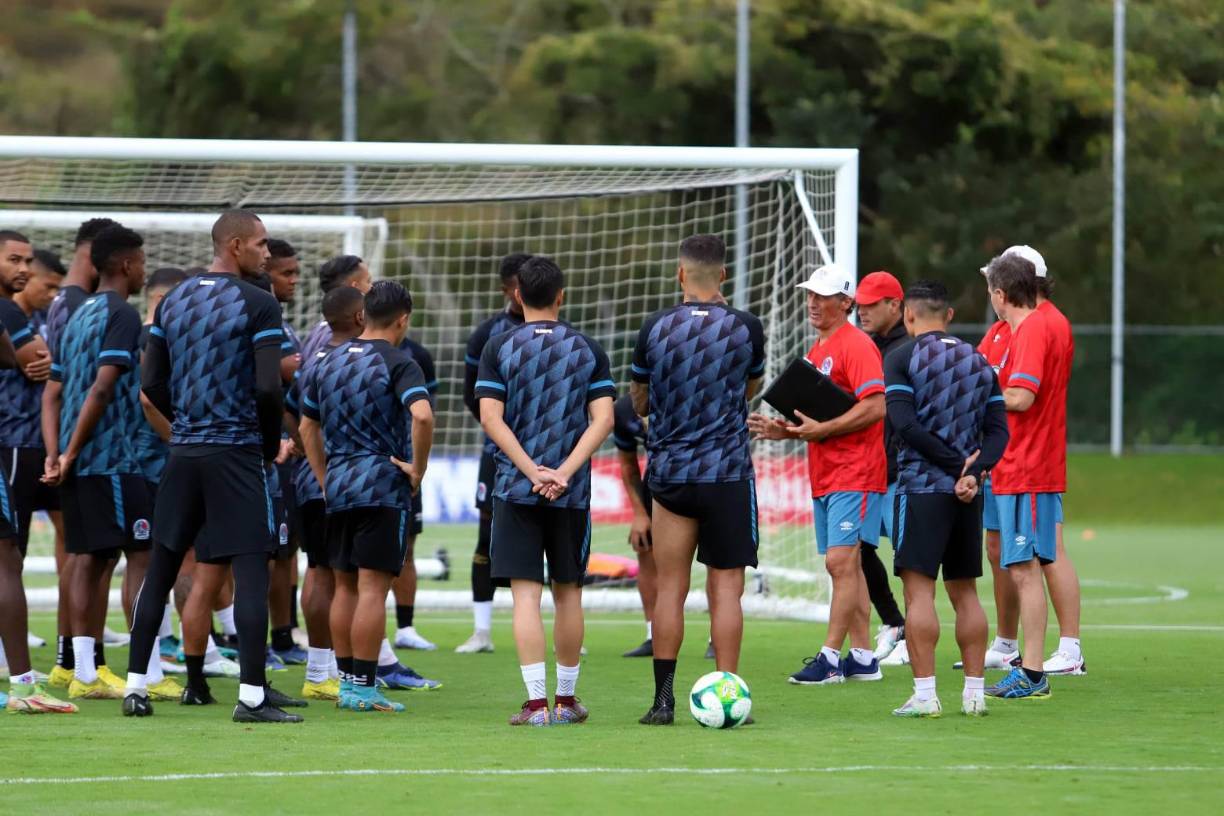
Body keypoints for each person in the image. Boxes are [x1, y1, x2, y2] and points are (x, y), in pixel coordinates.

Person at [124, 209, 302, 723]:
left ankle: (136, 688)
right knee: (250, 570)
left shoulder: (173, 300)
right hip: (236, 449)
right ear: (236, 244)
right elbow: (268, 387)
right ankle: (252, 697)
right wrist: (266, 443)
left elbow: (151, 382)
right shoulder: (259, 302)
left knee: (161, 567)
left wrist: (186, 419)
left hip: (184, 452)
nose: (266, 253)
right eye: (262, 244)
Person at [476, 255, 614, 726]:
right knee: (569, 593)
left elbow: (490, 417)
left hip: (516, 489)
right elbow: (604, 420)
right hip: (570, 494)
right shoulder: (587, 347)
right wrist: (565, 472)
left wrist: (532, 472)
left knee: (525, 597)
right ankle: (567, 701)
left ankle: (536, 705)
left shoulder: (499, 345)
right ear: (561, 295)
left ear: (518, 295)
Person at [632, 235, 765, 725]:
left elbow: (639, 401)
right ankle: (729, 696)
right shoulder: (746, 326)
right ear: (723, 276)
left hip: (671, 474)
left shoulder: (655, 326)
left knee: (671, 588)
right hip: (726, 473)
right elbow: (750, 388)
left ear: (680, 274)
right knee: (726, 591)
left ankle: (663, 702)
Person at [297, 255, 440, 689]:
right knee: (373, 590)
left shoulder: (328, 360)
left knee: (344, 587)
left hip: (339, 484)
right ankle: (363, 686)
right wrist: (418, 468)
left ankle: (345, 683)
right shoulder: (399, 362)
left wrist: (325, 476)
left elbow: (306, 427)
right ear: (403, 319)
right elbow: (422, 415)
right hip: (381, 483)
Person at [40, 225, 163, 701]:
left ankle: (84, 670)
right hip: (111, 458)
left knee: (88, 558)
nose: (144, 271)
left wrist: (56, 452)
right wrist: (71, 451)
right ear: (126, 265)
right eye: (142, 262)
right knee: (139, 554)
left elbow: (52, 393)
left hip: (79, 459)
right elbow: (103, 387)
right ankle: (142, 670)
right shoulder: (121, 315)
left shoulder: (77, 314)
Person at [749, 264, 887, 686]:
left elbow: (876, 405)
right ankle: (863, 657)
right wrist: (785, 431)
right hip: (827, 472)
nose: (812, 302)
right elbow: (818, 420)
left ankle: (829, 659)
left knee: (839, 562)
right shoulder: (817, 349)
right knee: (847, 567)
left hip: (855, 471)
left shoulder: (856, 345)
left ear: (845, 303)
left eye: (822, 295)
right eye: (810, 294)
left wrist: (823, 429)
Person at [883, 280, 1009, 717]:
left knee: (918, 594)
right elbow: (999, 432)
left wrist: (955, 466)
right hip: (966, 495)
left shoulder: (902, 357)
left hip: (921, 488)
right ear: (949, 315)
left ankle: (925, 695)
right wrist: (973, 471)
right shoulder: (980, 361)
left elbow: (904, 424)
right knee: (965, 592)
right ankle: (974, 695)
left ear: (907, 315)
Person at [39, 218, 119, 687]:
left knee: (80, 552)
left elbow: (52, 380)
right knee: (90, 556)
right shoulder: (80, 307)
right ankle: (80, 661)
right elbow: (83, 385)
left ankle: (71, 658)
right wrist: (66, 450)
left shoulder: (66, 304)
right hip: (89, 449)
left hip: (68, 445)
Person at [982, 252, 1065, 700]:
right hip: (1018, 465)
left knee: (1025, 569)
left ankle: (1032, 673)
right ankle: (1029, 668)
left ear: (1000, 293)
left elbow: (1022, 396)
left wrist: (977, 395)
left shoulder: (1030, 328)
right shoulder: (1025, 328)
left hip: (1027, 466)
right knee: (1021, 568)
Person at [0, 230, 75, 714]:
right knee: (7, 559)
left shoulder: (16, 314)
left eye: (28, 261)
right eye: (14, 260)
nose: (24, 269)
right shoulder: (7, 311)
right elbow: (37, 360)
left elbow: (35, 361)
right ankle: (23, 684)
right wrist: (18, 356)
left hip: (22, 444)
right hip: (11, 443)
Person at [285, 285, 366, 701]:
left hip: (310, 481)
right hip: (349, 480)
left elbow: (291, 410)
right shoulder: (364, 361)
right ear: (360, 317)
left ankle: (323, 670)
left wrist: (303, 446)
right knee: (350, 579)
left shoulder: (312, 363)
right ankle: (344, 673)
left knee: (318, 570)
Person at [458, 252, 531, 654]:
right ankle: (481, 631)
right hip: (497, 449)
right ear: (506, 289)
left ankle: (561, 625)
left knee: (553, 532)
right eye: (518, 286)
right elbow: (472, 395)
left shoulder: (562, 332)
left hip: (548, 449)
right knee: (487, 534)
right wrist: (500, 430)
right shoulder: (487, 334)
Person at [1014, 246, 1083, 677]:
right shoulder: (1048, 320)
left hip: (1033, 457)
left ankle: (1064, 651)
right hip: (1034, 454)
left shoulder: (1040, 323)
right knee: (1044, 553)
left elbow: (1025, 395)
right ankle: (1063, 649)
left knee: (1045, 555)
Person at [852, 270, 910, 663]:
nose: (863, 311)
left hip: (903, 473)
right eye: (860, 304)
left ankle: (912, 638)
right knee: (855, 548)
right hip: (869, 472)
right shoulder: (865, 346)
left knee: (910, 562)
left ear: (895, 305)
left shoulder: (911, 349)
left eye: (872, 304)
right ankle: (894, 622)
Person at [264, 238, 306, 665]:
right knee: (261, 553)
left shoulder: (283, 322)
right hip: (265, 450)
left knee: (284, 549)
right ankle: (239, 636)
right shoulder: (262, 318)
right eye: (286, 273)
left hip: (287, 451)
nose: (293, 280)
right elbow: (284, 372)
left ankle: (282, 635)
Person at [613, 394, 656, 657]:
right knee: (645, 546)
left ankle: (714, 638)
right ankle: (653, 635)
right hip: (660, 482)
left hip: (710, 476)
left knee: (717, 563)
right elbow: (628, 465)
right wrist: (640, 514)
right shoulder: (624, 410)